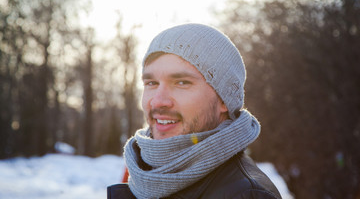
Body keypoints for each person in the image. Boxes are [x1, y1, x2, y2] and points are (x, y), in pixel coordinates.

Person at [107, 23, 282, 199]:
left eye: (182, 82)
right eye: (151, 83)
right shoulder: (143, 174)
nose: (159, 101)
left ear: (223, 99)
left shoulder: (247, 195)